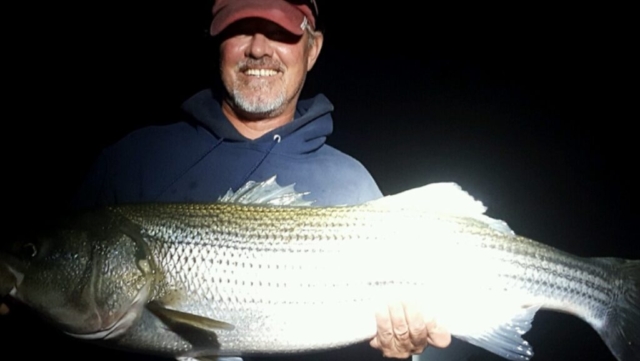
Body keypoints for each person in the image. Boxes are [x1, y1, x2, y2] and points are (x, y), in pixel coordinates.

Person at [70, 0, 453, 360]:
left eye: (280, 31)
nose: (258, 49)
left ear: (312, 48)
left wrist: (399, 349)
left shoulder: (353, 184)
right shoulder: (130, 161)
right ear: (216, 42)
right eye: (240, 30)